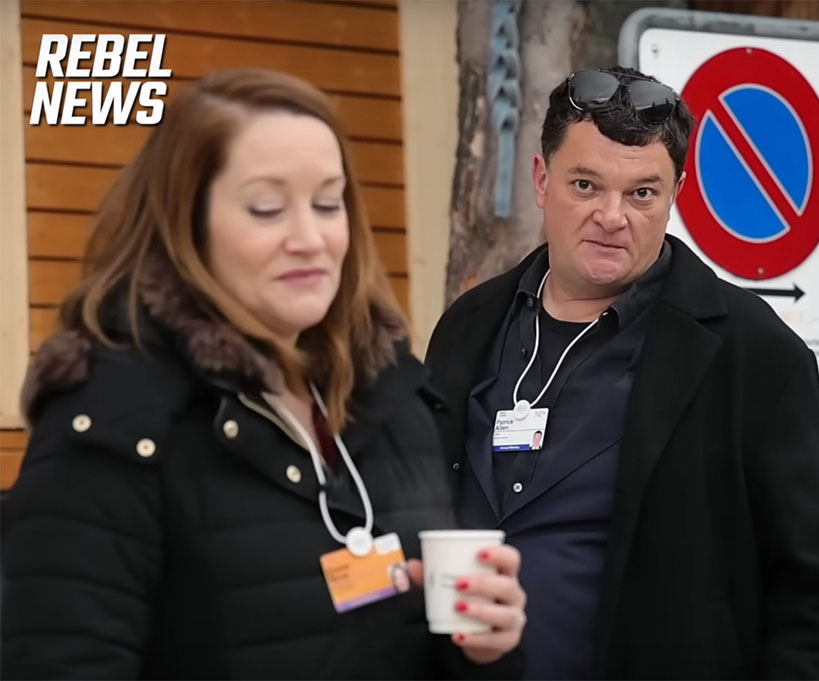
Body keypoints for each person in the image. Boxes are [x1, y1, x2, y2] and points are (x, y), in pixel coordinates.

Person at [1, 68, 526, 679]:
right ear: (185, 224)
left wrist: (482, 651)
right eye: (267, 208)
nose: (310, 238)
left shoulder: (396, 394)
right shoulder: (114, 420)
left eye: (327, 203)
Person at [424, 66, 819, 679]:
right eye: (585, 185)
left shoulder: (754, 354)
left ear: (676, 194)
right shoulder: (467, 325)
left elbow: (814, 593)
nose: (612, 215)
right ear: (541, 179)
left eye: (642, 193)